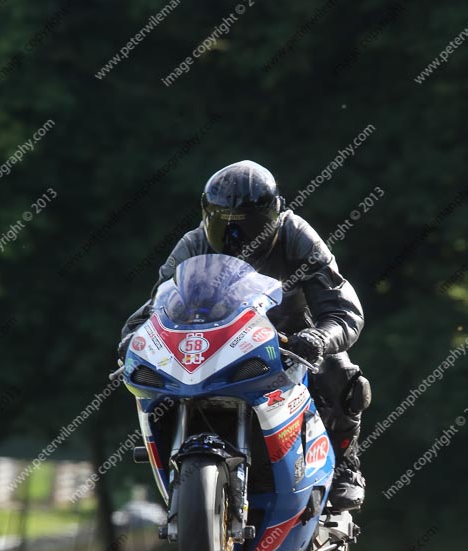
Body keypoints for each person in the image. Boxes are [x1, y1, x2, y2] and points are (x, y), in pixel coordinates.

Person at [120, 160, 371, 510]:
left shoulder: (297, 236)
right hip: (213, 345)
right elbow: (156, 305)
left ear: (273, 215)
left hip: (290, 339)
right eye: (224, 225)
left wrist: (319, 338)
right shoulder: (192, 245)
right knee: (156, 390)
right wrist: (134, 339)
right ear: (208, 217)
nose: (235, 237)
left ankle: (346, 468)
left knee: (342, 375)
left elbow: (342, 308)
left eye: (249, 225)